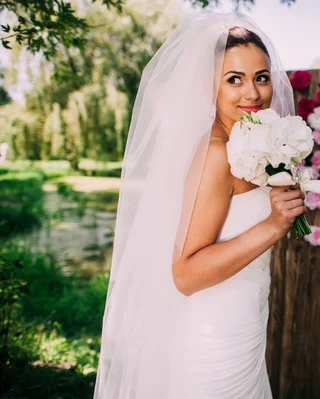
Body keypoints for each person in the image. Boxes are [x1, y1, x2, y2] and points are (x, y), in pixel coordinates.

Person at [93, 11, 306, 398]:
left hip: (246, 325)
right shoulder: (215, 153)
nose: (252, 94)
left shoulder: (253, 141)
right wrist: (273, 225)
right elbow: (186, 274)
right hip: (213, 339)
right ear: (208, 87)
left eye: (261, 77)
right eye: (233, 80)